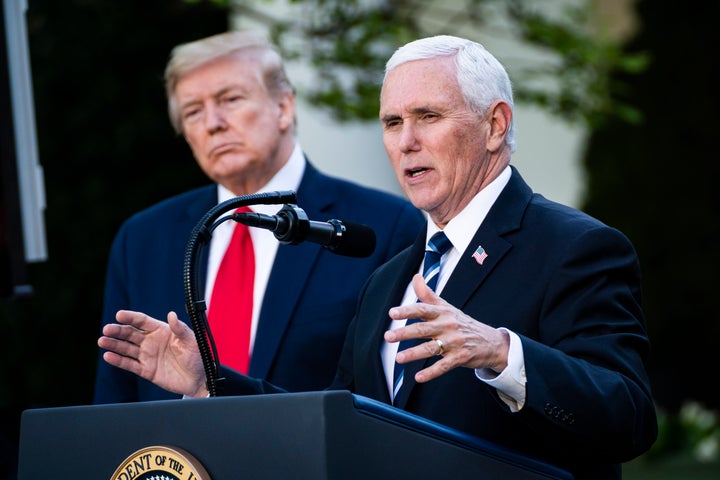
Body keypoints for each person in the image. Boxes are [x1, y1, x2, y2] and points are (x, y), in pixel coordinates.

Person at [98, 35, 658, 478]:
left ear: (495, 125)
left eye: (428, 117)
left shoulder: (575, 246)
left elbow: (629, 417)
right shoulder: (392, 276)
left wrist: (502, 353)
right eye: (392, 123)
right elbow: (340, 418)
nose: (405, 141)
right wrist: (210, 382)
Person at [92, 30, 426, 403]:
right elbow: (115, 398)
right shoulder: (143, 240)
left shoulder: (384, 225)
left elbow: (390, 397)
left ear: (284, 107)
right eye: (193, 111)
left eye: (230, 99)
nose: (212, 123)